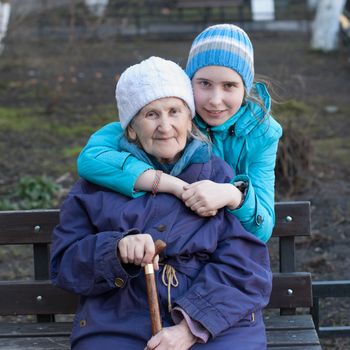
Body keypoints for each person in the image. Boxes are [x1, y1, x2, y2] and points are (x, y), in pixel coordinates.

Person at [51, 56, 272, 350]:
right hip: (119, 322)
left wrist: (190, 328)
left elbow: (245, 267)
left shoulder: (218, 176)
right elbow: (65, 264)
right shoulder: (95, 186)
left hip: (215, 324)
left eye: (174, 111)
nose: (165, 126)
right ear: (130, 129)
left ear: (189, 118)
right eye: (151, 115)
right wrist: (114, 250)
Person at [77, 24, 283, 243]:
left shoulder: (263, 134)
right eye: (204, 83)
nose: (215, 100)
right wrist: (165, 183)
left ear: (245, 89)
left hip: (221, 245)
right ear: (188, 82)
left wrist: (234, 195)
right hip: (166, 239)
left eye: (229, 85)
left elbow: (262, 229)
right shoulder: (174, 117)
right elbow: (91, 158)